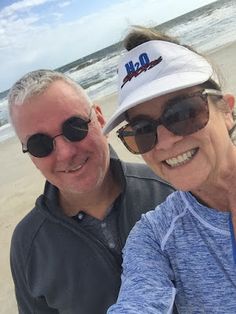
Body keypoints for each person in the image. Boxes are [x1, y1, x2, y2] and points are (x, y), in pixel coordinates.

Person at [8, 69, 174, 314]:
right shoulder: (28, 245)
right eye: (40, 144)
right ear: (31, 155)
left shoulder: (170, 189)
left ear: (99, 117)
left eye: (74, 127)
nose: (65, 153)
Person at [103, 26, 236, 313]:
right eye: (143, 130)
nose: (165, 142)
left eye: (184, 113)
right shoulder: (154, 237)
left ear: (226, 110)